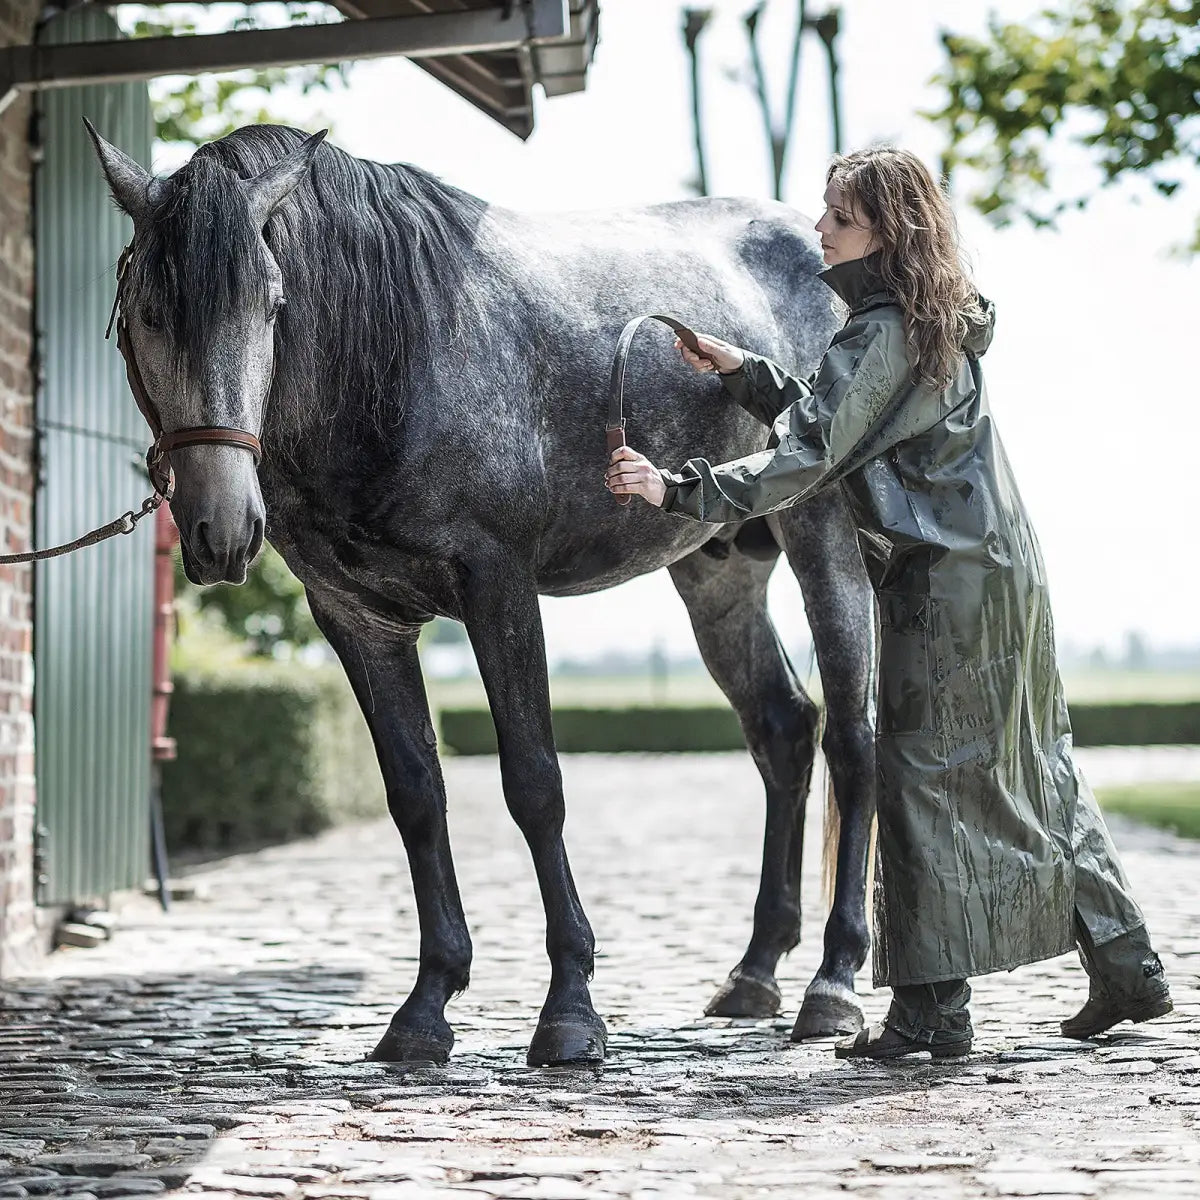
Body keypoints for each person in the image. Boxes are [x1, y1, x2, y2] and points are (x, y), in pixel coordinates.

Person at [604, 146, 1173, 1060]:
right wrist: (744, 369)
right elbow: (847, 416)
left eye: (838, 214)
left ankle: (929, 1012)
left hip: (937, 588)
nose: (819, 226)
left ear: (884, 230)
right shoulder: (925, 319)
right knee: (1036, 763)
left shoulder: (881, 331)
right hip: (997, 571)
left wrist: (676, 491)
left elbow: (809, 455)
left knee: (916, 785)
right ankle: (1127, 965)